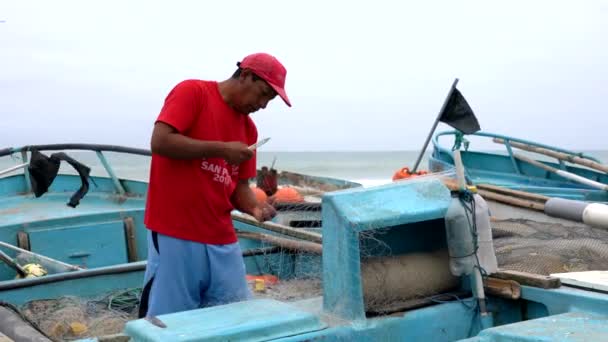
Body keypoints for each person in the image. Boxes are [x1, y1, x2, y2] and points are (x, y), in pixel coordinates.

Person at [138, 52, 291, 318]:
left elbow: (239, 188)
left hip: (222, 238)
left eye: (270, 100)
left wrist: (255, 208)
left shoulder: (249, 130)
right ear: (245, 75)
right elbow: (160, 142)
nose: (264, 105)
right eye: (263, 93)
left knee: (234, 319)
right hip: (176, 233)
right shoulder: (193, 92)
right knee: (169, 325)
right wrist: (221, 150)